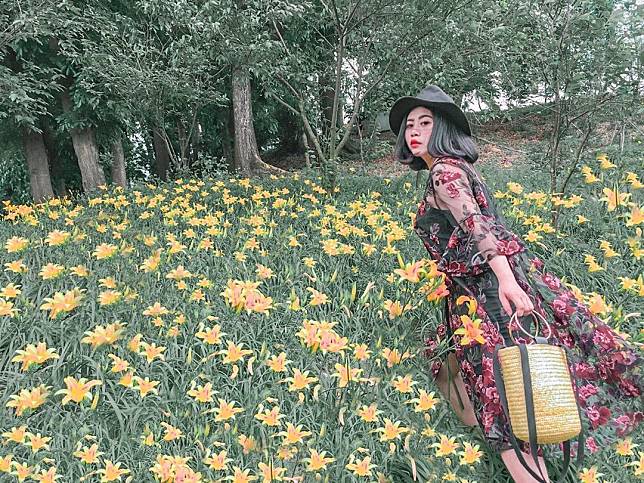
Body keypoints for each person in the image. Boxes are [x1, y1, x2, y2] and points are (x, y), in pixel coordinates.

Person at [389, 85, 643, 482]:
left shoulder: (444, 172)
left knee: (504, 400)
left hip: (485, 294)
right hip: (474, 292)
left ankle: (522, 465)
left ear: (443, 129)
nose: (415, 132)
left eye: (426, 122)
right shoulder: (457, 167)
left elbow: (477, 226)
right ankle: (476, 439)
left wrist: (506, 282)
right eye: (409, 125)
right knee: (449, 367)